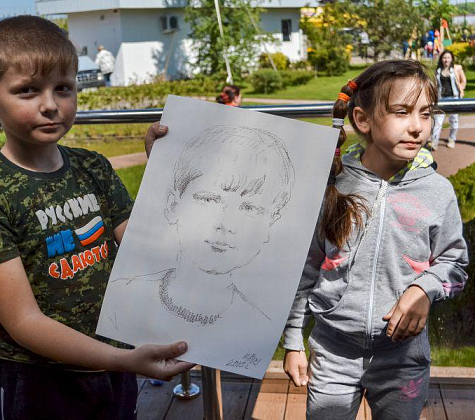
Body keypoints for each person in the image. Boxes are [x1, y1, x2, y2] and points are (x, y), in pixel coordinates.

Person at [0, 16, 193, 419]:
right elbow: (24, 322)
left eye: (63, 88)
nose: (50, 104)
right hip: (34, 380)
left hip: (111, 366)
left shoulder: (93, 168)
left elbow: (144, 245)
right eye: (27, 90)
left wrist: (165, 170)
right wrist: (127, 361)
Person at [283, 60, 469, 420]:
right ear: (362, 119)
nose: (417, 126)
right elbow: (305, 269)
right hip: (332, 356)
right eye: (401, 112)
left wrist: (424, 289)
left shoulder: (438, 192)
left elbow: (455, 263)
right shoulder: (333, 186)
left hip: (404, 361)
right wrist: (293, 341)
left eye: (426, 114)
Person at [98, 125, 294, 332]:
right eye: (209, 199)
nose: (226, 224)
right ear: (173, 205)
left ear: (271, 222)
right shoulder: (121, 302)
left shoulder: (258, 327)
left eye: (250, 208)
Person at [430, 50, 467, 150]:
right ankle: (434, 141)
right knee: (438, 121)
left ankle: (452, 139)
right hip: (441, 99)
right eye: (444, 58)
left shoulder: (456, 69)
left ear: (451, 59)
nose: (446, 60)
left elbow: (463, 80)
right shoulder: (437, 71)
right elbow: (435, 84)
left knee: (453, 120)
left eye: (448, 58)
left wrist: (461, 89)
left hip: (454, 98)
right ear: (441, 59)